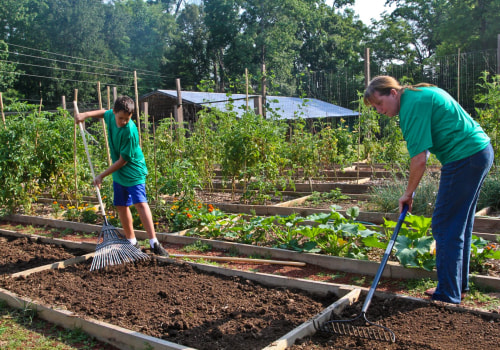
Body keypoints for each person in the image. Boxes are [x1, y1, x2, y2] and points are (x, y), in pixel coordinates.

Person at [364, 76, 493, 304]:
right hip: (478, 152)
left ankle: (448, 293)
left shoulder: (412, 105)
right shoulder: (418, 95)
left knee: (444, 224)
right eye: (375, 107)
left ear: (393, 93)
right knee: (459, 224)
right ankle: (456, 287)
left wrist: (408, 193)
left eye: (379, 104)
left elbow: (419, 159)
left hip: (464, 158)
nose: (379, 110)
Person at [75, 95, 169, 257]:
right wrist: (85, 115)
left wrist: (101, 176)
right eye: (121, 118)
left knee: (140, 203)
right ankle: (132, 242)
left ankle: (154, 243)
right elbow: (104, 113)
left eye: (127, 118)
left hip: (133, 170)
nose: (124, 121)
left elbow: (123, 161)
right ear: (115, 113)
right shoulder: (111, 116)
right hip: (118, 173)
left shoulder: (130, 131)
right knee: (121, 205)